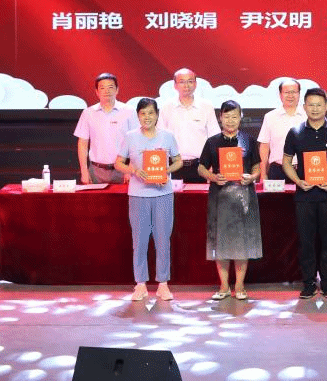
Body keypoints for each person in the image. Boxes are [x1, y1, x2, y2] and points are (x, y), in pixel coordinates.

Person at [283, 87, 327, 300]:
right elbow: (286, 161)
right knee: (306, 242)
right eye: (311, 104)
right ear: (304, 107)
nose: (315, 108)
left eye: (319, 105)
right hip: (304, 196)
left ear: (326, 107)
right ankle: (309, 283)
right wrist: (297, 181)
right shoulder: (295, 132)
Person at [114, 97, 182, 302]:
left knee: (163, 240)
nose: (147, 117)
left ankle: (163, 284)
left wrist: (166, 171)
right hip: (138, 195)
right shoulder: (130, 136)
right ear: (138, 116)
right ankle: (140, 284)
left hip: (163, 194)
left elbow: (178, 161)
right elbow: (118, 163)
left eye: (151, 113)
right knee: (140, 240)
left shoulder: (168, 136)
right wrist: (134, 170)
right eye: (143, 113)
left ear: (157, 115)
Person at [198, 100, 263, 301]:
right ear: (220, 118)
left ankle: (240, 286)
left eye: (235, 116)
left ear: (240, 117)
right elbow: (201, 167)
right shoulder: (212, 142)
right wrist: (212, 177)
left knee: (242, 241)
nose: (231, 120)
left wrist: (252, 177)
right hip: (220, 197)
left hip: (244, 196)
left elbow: (257, 167)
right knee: (221, 241)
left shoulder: (248, 140)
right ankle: (224, 286)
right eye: (227, 116)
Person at [74, 72, 137, 185]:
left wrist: (130, 168)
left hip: (123, 170)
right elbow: (82, 143)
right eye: (102, 88)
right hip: (96, 171)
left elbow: (136, 142)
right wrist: (84, 171)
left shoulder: (129, 111)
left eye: (110, 87)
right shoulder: (88, 113)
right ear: (97, 92)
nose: (107, 91)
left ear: (117, 90)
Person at [160, 67, 220, 184]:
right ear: (175, 85)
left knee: (200, 195)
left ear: (195, 84)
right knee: (175, 196)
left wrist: (213, 164)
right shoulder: (167, 107)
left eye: (190, 81)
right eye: (182, 82)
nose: (186, 85)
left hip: (201, 166)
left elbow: (215, 138)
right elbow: (161, 140)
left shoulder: (206, 106)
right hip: (175, 165)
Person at [257, 79, 306, 181]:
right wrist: (263, 174)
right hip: (278, 170)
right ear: (280, 95)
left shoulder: (308, 115)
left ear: (299, 94)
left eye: (294, 92)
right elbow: (264, 147)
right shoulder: (270, 117)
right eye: (287, 92)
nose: (290, 95)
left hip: (304, 169)